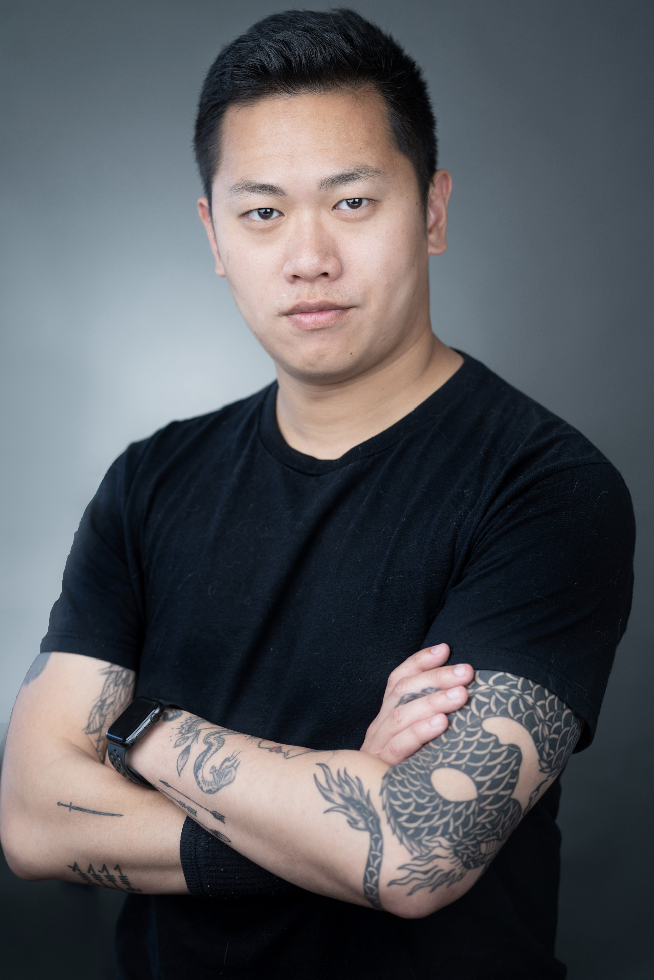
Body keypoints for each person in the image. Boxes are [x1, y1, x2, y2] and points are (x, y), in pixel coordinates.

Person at [0, 8, 635, 979]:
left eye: (351, 202)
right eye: (262, 212)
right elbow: (32, 818)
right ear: (213, 235)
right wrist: (341, 809)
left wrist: (142, 734)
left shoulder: (546, 487)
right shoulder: (149, 479)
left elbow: (416, 852)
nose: (308, 258)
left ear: (432, 209)